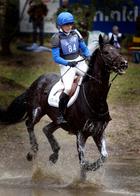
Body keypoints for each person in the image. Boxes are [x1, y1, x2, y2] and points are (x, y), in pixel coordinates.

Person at [51, 11, 91, 124]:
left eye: (70, 24)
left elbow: (84, 48)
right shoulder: (56, 37)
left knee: (91, 77)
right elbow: (56, 58)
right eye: (66, 25)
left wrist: (88, 56)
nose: (69, 27)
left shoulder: (76, 33)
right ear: (60, 25)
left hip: (78, 60)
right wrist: (68, 63)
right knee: (68, 88)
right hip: (66, 64)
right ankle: (60, 114)